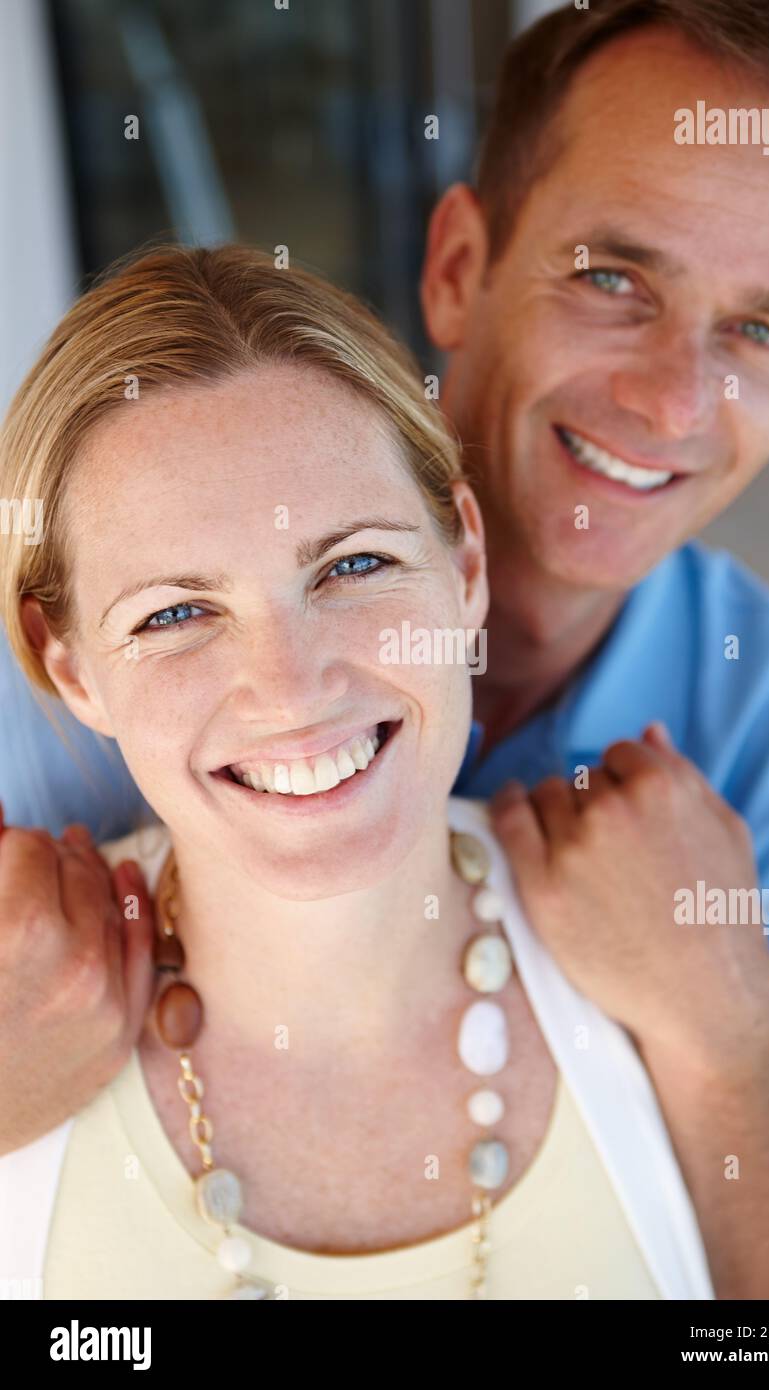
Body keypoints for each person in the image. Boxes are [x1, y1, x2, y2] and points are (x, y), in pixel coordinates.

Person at [1, 0, 769, 1298]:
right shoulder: (41, 705)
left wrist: (723, 1042)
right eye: (612, 277)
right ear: (457, 262)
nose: (674, 399)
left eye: (759, 329)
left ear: (454, 558)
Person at [0, 243, 725, 1300]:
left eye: (352, 565)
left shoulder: (671, 965)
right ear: (71, 667)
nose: (290, 689)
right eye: (173, 613)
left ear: (465, 564)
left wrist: (728, 1044)